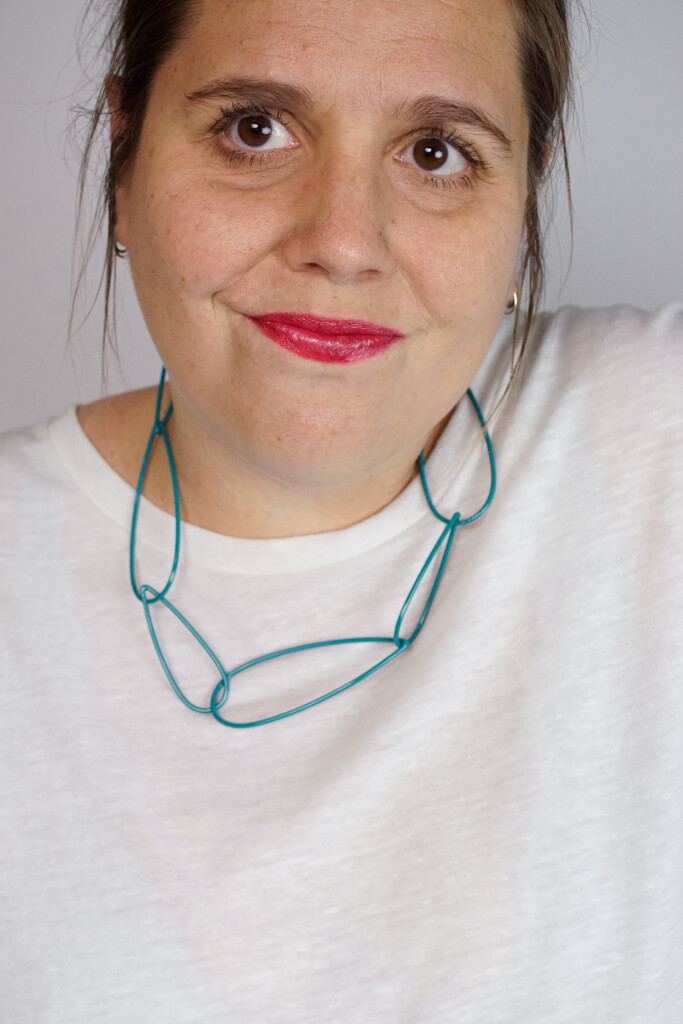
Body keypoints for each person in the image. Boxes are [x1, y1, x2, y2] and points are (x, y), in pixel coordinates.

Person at [1, 0, 681, 1020]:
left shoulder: (653, 430)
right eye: (253, 129)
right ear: (124, 161)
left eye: (435, 150)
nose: (344, 243)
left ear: (524, 195)